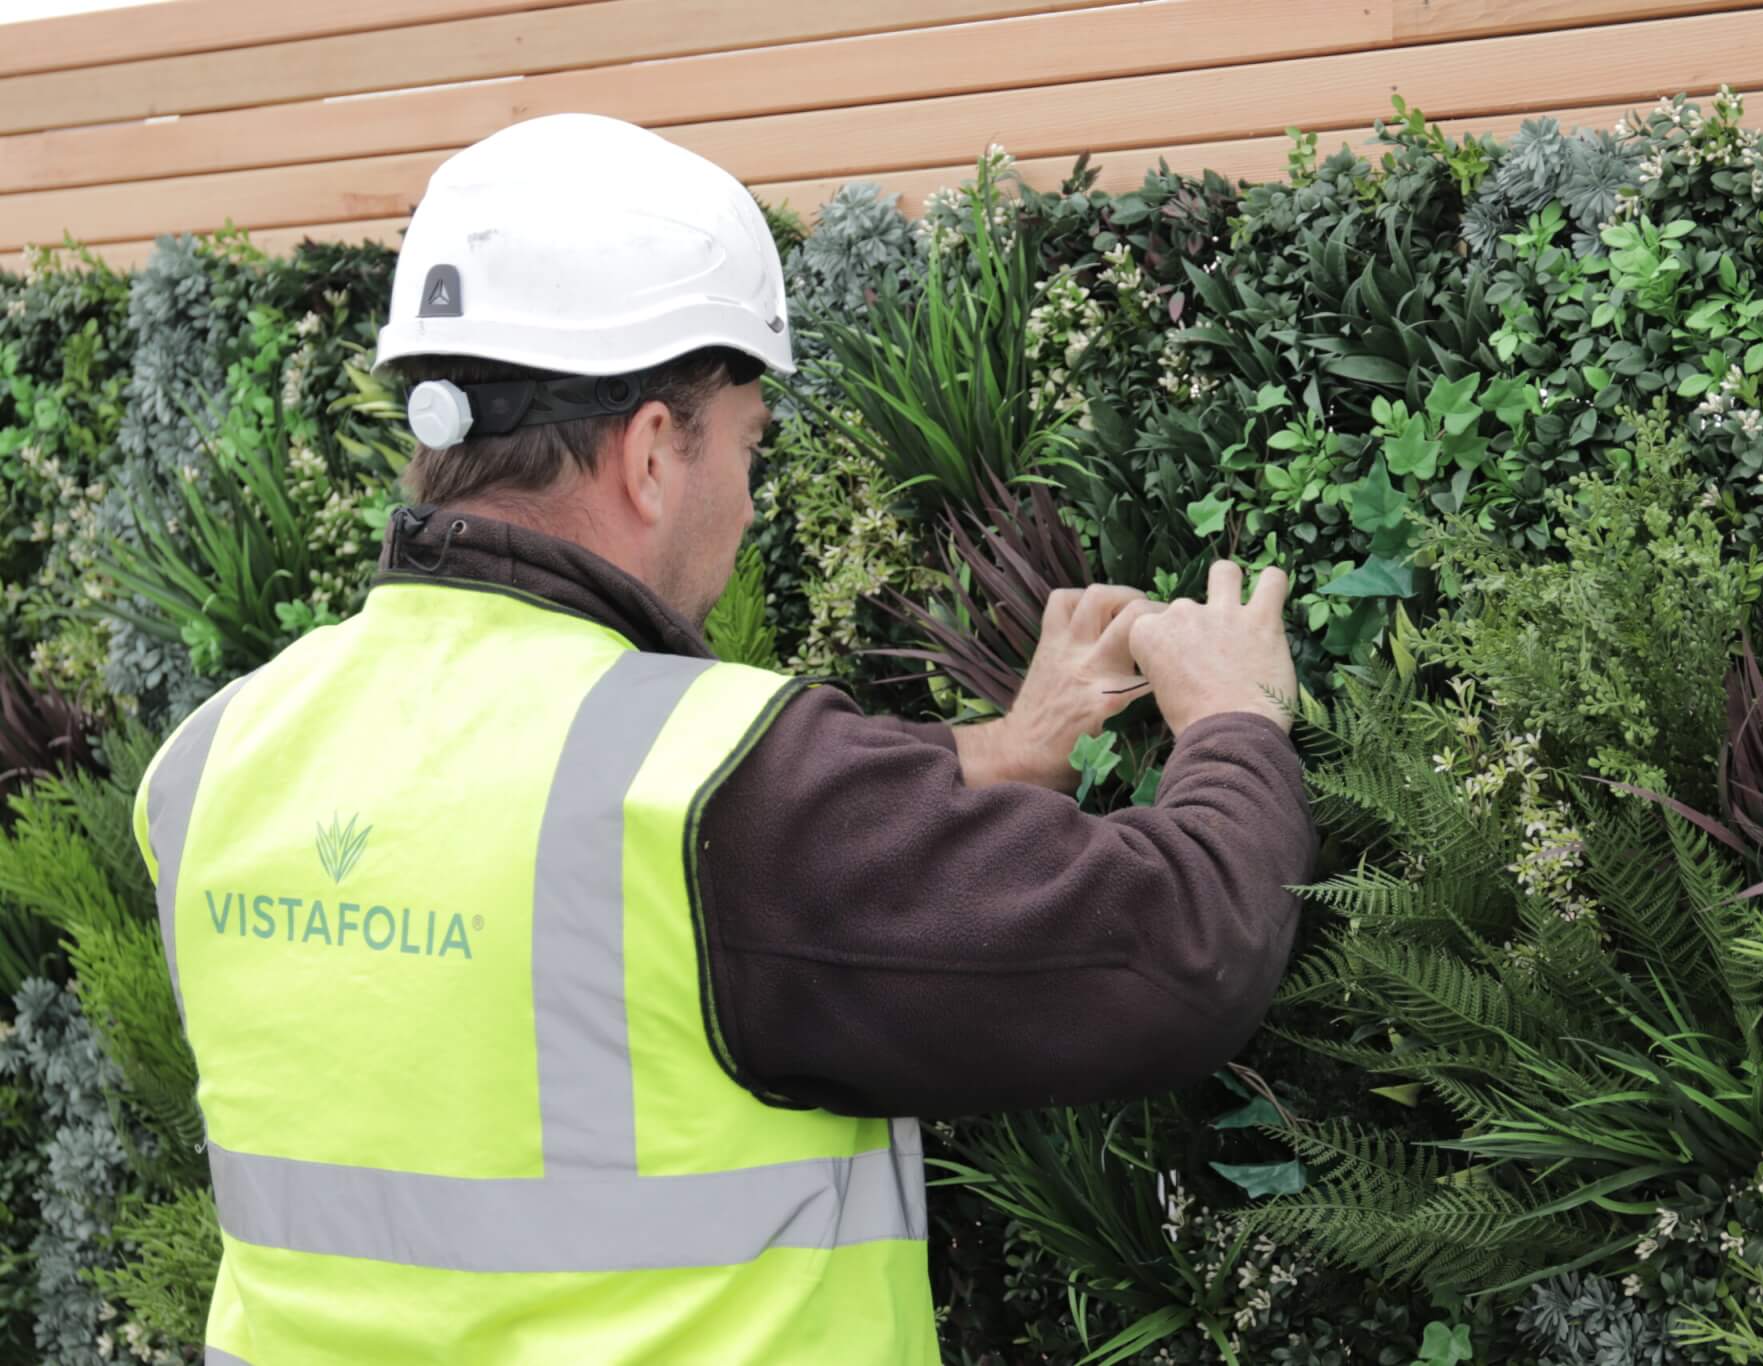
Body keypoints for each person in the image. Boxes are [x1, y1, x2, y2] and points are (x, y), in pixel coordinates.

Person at [132, 113, 1311, 1365]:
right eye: (747, 447)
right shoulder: (706, 790)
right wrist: (1234, 718)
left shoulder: (215, 756)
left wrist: (1007, 747)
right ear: (651, 452)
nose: (750, 503)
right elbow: (1176, 951)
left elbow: (587, 896)